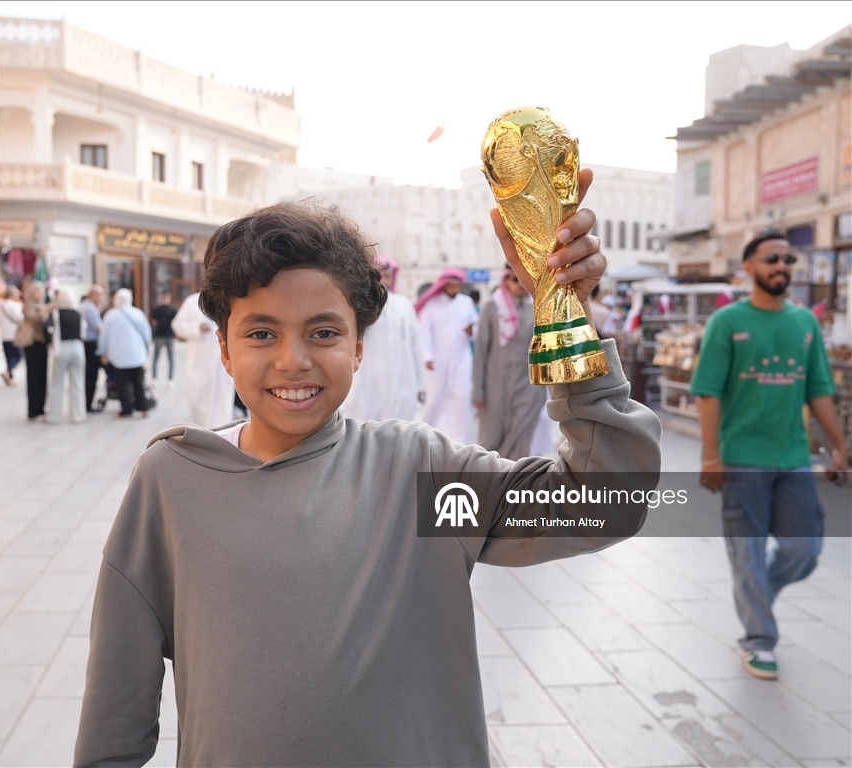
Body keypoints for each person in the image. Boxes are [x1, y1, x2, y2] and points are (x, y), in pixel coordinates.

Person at [74, 193, 662, 766]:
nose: (293, 360)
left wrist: (565, 313)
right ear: (224, 349)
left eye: (323, 332)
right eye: (260, 333)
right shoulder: (174, 484)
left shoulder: (418, 478)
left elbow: (606, 501)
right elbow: (114, 716)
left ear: (359, 348)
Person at [691, 231, 847, 681]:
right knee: (747, 555)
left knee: (805, 550)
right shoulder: (726, 321)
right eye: (771, 258)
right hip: (741, 460)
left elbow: (819, 389)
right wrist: (710, 456)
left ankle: (757, 591)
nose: (782, 265)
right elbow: (707, 393)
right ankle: (759, 639)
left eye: (788, 259)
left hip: (793, 458)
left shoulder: (804, 324)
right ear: (749, 268)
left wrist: (839, 445)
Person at [472, 266, 548, 460]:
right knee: (492, 439)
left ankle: (512, 483)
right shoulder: (492, 307)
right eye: (515, 279)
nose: (520, 284)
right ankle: (488, 483)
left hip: (529, 387)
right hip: (496, 385)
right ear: (505, 280)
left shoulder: (537, 308)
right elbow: (480, 351)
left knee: (521, 436)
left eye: (523, 279)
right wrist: (477, 390)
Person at [342, 255, 425, 421]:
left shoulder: (404, 306)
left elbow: (417, 346)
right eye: (379, 276)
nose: (383, 281)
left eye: (387, 276)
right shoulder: (359, 306)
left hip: (401, 381)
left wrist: (421, 384)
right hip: (367, 381)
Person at [415, 267, 477, 444]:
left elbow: (475, 328)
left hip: (461, 358)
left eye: (458, 286)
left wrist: (471, 331)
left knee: (461, 398)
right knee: (436, 398)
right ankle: (427, 437)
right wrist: (427, 356)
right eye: (452, 286)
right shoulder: (432, 304)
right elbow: (423, 333)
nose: (455, 290)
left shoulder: (466, 302)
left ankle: (461, 441)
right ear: (444, 285)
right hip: (437, 360)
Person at [171, 291, 235, 427]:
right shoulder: (192, 301)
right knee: (197, 398)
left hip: (223, 362)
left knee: (222, 401)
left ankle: (222, 435)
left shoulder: (231, 297)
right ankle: (205, 433)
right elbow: (177, 325)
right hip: (199, 362)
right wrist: (196, 329)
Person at [97, 288, 151, 418]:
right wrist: (147, 348)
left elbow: (104, 335)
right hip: (137, 354)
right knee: (138, 382)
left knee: (123, 383)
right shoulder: (138, 313)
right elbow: (147, 333)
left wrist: (102, 351)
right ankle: (143, 407)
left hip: (119, 355)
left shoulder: (111, 315)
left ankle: (126, 410)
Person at [48, 291, 87, 425]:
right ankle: (78, 414)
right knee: (78, 383)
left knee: (56, 383)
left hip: (62, 348)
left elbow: (49, 329)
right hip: (77, 347)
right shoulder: (78, 313)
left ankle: (54, 415)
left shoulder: (56, 314)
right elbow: (84, 331)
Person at [21, 280, 53, 421]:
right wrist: (44, 310)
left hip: (42, 344)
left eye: (41, 292)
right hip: (32, 344)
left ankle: (41, 407)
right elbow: (32, 319)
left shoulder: (42, 306)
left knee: (43, 376)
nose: (40, 294)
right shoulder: (28, 306)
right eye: (37, 291)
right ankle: (33, 409)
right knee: (33, 377)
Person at [80, 285, 105, 412]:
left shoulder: (85, 306)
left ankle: (86, 403)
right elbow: (99, 328)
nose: (101, 298)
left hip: (86, 344)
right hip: (90, 345)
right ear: (94, 295)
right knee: (91, 375)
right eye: (100, 295)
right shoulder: (89, 308)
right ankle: (88, 404)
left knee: (88, 375)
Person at [0, 285, 23, 386]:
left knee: (8, 357)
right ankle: (7, 372)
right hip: (14, 334)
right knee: (18, 356)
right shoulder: (15, 305)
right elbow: (20, 319)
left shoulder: (0, 306)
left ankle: (10, 378)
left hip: (4, 334)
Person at [150, 292, 177, 381]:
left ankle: (157, 377)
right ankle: (169, 378)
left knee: (158, 358)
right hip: (166, 335)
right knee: (169, 359)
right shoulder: (173, 309)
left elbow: (154, 322)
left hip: (163, 335)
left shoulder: (159, 309)